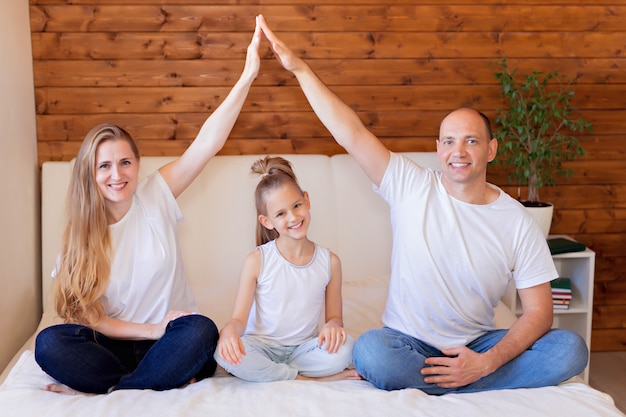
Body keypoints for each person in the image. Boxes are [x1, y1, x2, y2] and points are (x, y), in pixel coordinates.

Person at [256, 14, 588, 394]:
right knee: (370, 351)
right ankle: (465, 382)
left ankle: (463, 379)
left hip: (478, 345)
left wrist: (484, 363)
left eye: (471, 141)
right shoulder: (410, 184)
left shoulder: (516, 220)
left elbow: (539, 313)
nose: (457, 151)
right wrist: (299, 69)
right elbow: (351, 132)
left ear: (492, 149)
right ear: (437, 149)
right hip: (408, 343)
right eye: (448, 141)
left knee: (570, 349)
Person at [33, 20, 263, 395]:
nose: (116, 175)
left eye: (125, 162)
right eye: (104, 166)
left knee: (202, 329)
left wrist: (248, 74)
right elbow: (97, 320)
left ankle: (115, 391)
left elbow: (207, 144)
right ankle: (139, 386)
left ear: (138, 165)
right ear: (90, 175)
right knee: (49, 343)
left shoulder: (155, 194)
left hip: (174, 342)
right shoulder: (78, 238)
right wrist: (151, 329)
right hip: (120, 346)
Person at [214, 156, 359, 382]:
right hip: (261, 347)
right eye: (281, 214)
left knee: (348, 348)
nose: (293, 217)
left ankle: (274, 373)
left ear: (307, 200)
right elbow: (238, 320)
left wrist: (333, 326)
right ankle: (309, 380)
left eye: (297, 206)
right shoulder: (257, 260)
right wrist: (229, 332)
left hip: (303, 350)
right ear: (267, 221)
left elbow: (334, 317)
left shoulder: (330, 262)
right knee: (222, 354)